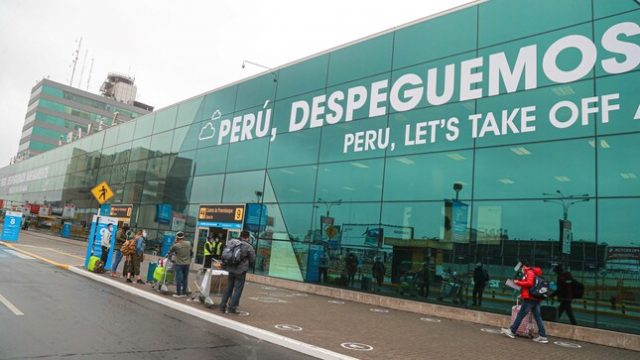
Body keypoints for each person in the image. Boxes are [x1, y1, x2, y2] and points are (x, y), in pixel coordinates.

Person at [501, 262, 549, 343]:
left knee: (521, 315)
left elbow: (529, 284)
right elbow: (530, 286)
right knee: (538, 317)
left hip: (530, 299)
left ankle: (512, 331)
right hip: (535, 298)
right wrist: (522, 294)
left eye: (520, 269)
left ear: (523, 267)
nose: (521, 271)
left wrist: (517, 282)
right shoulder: (533, 272)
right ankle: (542, 335)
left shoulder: (529, 272)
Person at [219, 230, 256, 314]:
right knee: (238, 290)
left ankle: (222, 306)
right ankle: (232, 308)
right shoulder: (248, 246)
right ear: (248, 237)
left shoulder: (233, 242)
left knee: (228, 287)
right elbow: (253, 259)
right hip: (241, 271)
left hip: (231, 269)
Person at [169, 231, 192, 298]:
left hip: (179, 264)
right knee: (185, 278)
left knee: (178, 279)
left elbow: (171, 250)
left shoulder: (176, 245)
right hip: (187, 264)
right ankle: (184, 293)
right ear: (183, 237)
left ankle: (178, 293)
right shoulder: (189, 243)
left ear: (177, 237)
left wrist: (175, 242)